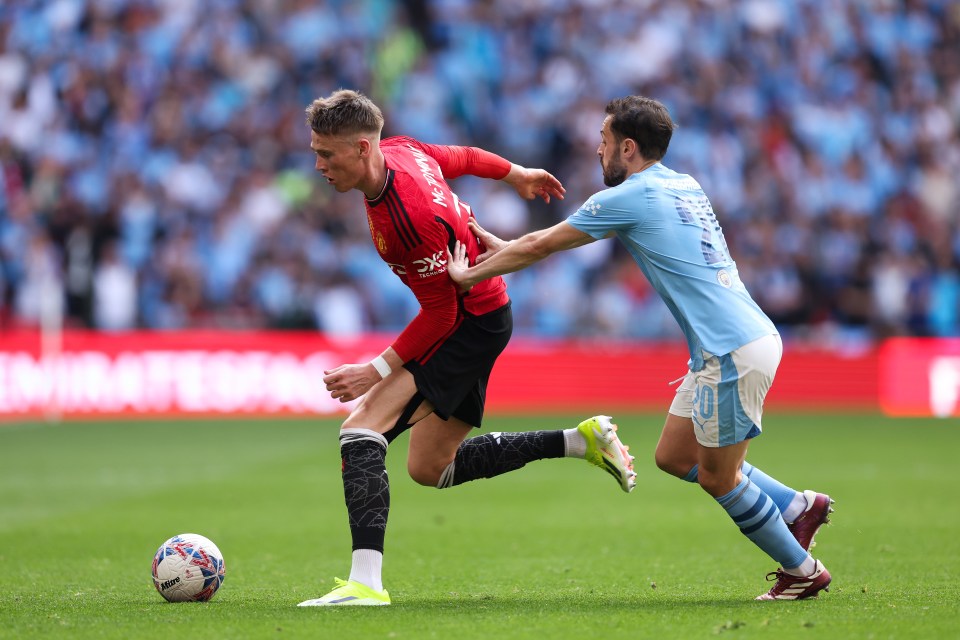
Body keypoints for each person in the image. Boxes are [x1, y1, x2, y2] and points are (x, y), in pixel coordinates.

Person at [447, 95, 834, 601]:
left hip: (730, 350)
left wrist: (469, 275)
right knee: (675, 454)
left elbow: (543, 245)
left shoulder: (627, 197)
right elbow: (547, 241)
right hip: (737, 339)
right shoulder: (682, 183)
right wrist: (502, 247)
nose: (597, 151)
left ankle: (802, 571)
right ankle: (796, 507)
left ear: (627, 148)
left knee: (720, 478)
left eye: (603, 143)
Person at [297, 89, 637, 607]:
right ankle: (579, 440)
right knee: (431, 469)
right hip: (483, 314)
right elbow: (461, 157)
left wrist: (376, 369)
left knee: (361, 430)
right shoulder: (404, 150)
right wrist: (517, 173)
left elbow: (441, 315)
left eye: (326, 153)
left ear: (364, 148)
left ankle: (365, 584)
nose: (318, 164)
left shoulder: (408, 218)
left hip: (468, 323)